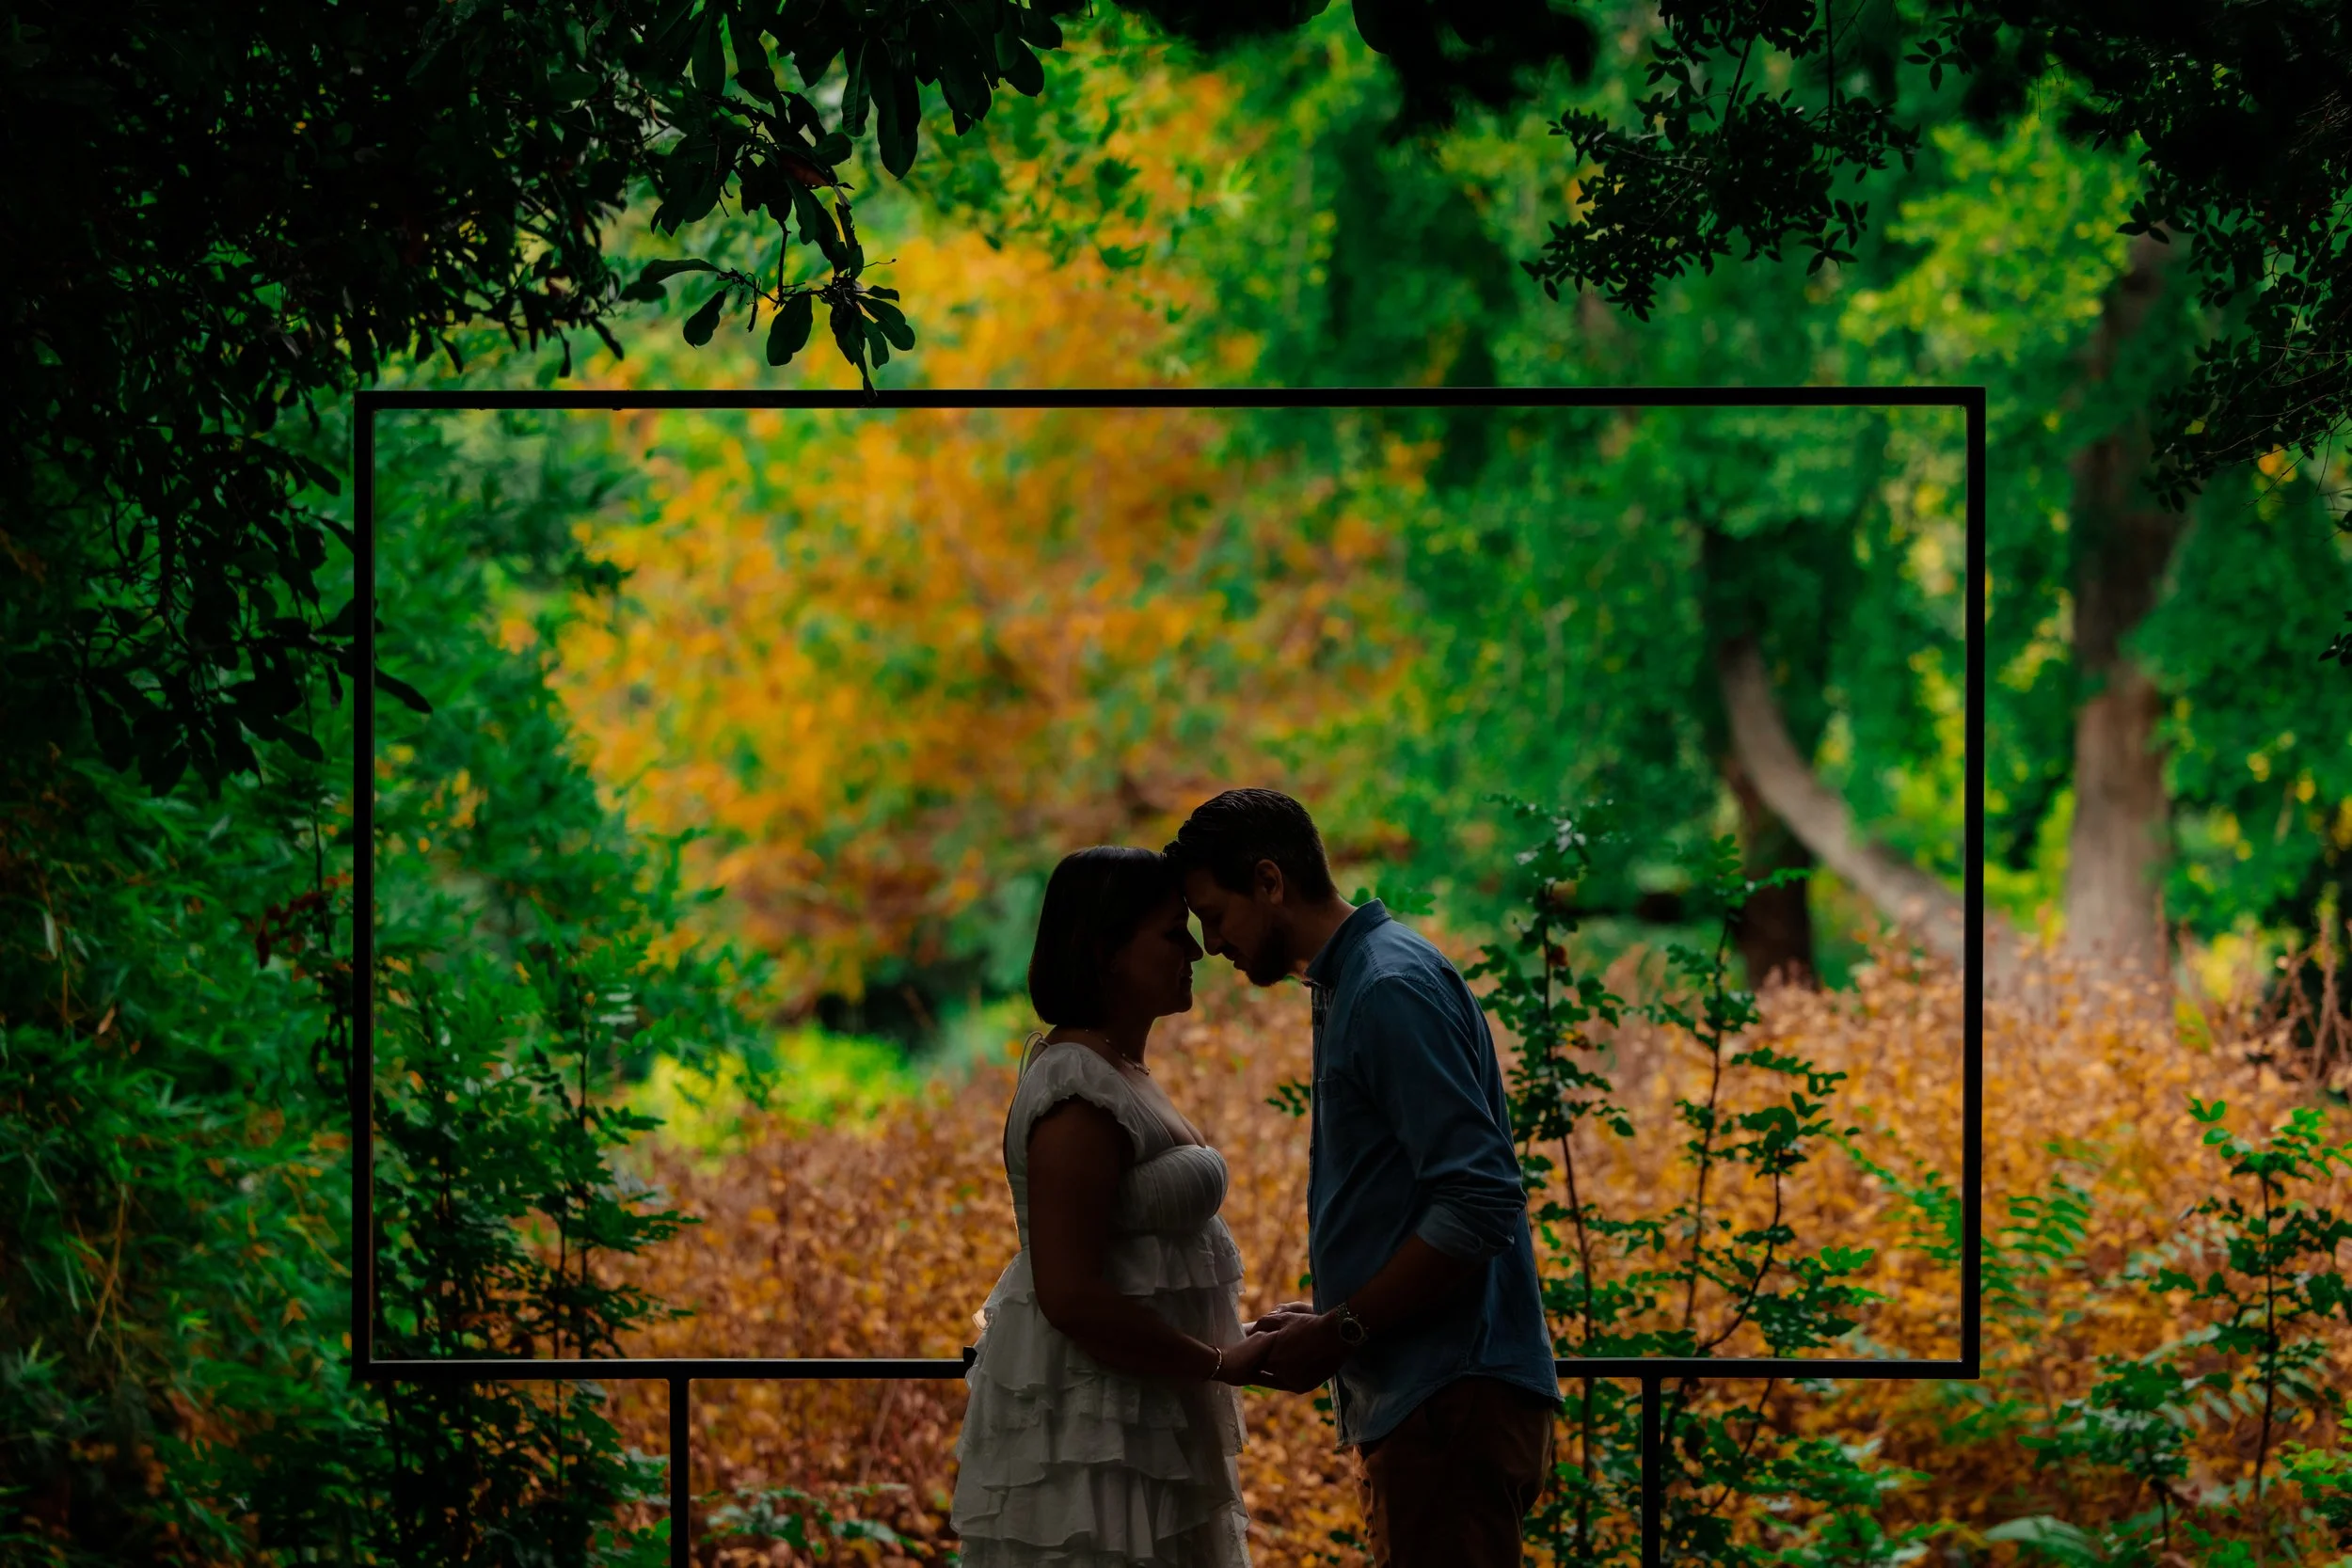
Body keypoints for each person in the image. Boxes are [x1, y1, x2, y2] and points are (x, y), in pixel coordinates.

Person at [1166, 788, 1559, 1568]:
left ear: (1271, 881)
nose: (1211, 944)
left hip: (1448, 1398)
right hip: (1433, 1398)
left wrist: (1343, 1328)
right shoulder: (1360, 983)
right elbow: (1421, 1196)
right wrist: (1333, 1313)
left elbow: (1479, 1200)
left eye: (1215, 914)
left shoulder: (1386, 989)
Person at [953, 846, 1272, 1568]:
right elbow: (1072, 1294)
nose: (1196, 948)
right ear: (1105, 950)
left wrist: (1242, 1335)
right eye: (1170, 931)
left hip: (1147, 1414)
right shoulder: (1075, 1088)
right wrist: (1220, 1359)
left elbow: (1141, 1267)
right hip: (1094, 1432)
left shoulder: (1119, 1069)